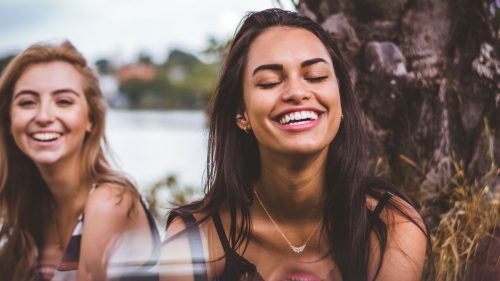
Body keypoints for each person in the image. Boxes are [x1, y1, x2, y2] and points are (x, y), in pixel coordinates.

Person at [161, 8, 432, 281]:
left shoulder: (390, 225)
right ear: (241, 113)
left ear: (340, 104)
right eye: (269, 82)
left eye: (315, 76)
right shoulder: (193, 242)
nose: (297, 92)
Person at [0, 41, 160, 281]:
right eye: (27, 102)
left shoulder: (110, 202)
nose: (43, 116)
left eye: (64, 101)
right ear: (9, 120)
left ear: (91, 120)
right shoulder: (18, 207)